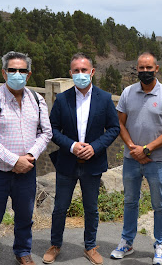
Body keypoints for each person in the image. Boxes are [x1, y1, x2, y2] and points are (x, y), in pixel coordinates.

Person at [0, 51, 53, 265]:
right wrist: (14, 161)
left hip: (27, 171)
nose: (17, 74)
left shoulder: (37, 100)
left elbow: (46, 133)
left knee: (25, 217)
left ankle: (23, 251)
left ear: (28, 75)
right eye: (12, 70)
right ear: (4, 73)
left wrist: (29, 156)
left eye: (22, 70)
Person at [43, 52, 120, 265]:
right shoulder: (62, 99)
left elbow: (114, 128)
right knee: (60, 207)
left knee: (91, 208)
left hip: (93, 163)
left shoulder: (104, 99)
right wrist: (72, 145)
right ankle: (55, 244)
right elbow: (52, 129)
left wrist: (94, 148)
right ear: (70, 73)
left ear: (92, 72)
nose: (80, 74)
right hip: (67, 162)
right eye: (76, 71)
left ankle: (90, 246)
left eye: (84, 70)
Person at [110, 52, 162, 265]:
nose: (145, 72)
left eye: (149, 68)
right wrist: (133, 148)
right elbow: (120, 124)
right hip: (131, 159)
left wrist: (146, 149)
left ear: (157, 69)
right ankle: (126, 242)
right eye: (141, 68)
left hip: (156, 161)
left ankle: (160, 244)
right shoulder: (128, 93)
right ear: (136, 69)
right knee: (130, 201)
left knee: (159, 204)